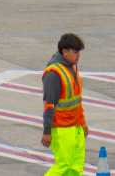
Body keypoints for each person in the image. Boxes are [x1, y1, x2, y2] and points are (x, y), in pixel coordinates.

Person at [40, 33, 86, 176]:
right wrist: (47, 132)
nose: (78, 56)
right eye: (75, 52)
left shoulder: (72, 67)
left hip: (75, 126)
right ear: (64, 51)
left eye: (79, 52)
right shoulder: (54, 73)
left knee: (76, 167)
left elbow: (76, 100)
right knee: (63, 166)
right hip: (61, 128)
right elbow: (49, 105)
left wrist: (82, 123)